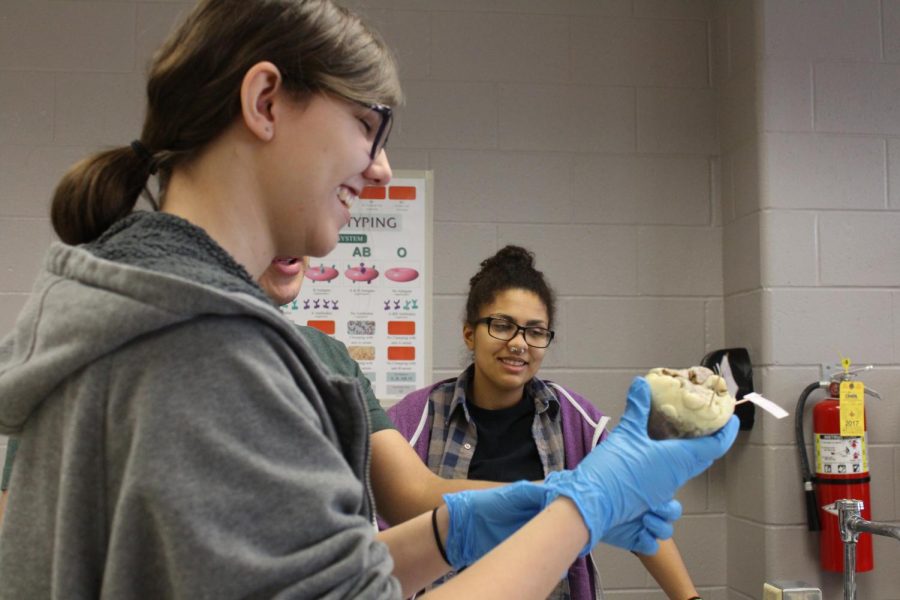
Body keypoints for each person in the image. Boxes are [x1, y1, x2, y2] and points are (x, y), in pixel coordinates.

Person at [0, 1, 738, 598]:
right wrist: (587, 508)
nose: (382, 169)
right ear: (264, 101)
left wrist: (456, 531)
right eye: (368, 124)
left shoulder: (125, 316)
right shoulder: (208, 354)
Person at [388, 245, 702, 600]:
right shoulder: (414, 419)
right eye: (502, 325)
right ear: (469, 334)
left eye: (535, 332)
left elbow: (634, 508)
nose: (520, 343)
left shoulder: (572, 417)